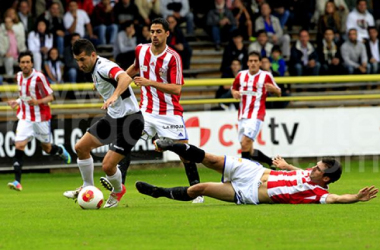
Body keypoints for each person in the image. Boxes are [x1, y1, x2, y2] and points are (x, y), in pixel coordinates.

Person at [136, 139, 379, 205]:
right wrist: (286, 167)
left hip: (249, 193)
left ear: (325, 179)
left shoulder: (317, 193)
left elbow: (336, 198)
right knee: (209, 159)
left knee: (199, 189)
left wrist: (355, 198)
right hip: (254, 170)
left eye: (318, 168)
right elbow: (299, 171)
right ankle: (170, 145)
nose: (312, 168)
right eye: (315, 164)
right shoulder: (309, 173)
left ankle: (159, 193)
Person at [125, 18, 203, 203]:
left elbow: (177, 89)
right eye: (152, 31)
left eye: (158, 31)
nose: (154, 35)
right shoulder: (141, 50)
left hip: (169, 112)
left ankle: (197, 191)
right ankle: (117, 188)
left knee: (185, 152)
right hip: (146, 110)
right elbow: (135, 67)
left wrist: (150, 82)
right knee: (125, 143)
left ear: (167, 34)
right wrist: (119, 80)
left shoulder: (173, 57)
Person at [63, 39, 144, 208]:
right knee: (81, 147)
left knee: (108, 166)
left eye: (83, 59)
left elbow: (124, 77)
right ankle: (87, 186)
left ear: (93, 55)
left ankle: (118, 190)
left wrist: (114, 95)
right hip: (113, 119)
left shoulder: (103, 67)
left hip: (131, 121)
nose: (80, 64)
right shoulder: (96, 69)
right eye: (77, 60)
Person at [6, 51, 71, 191]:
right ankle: (17, 181)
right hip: (24, 117)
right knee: (19, 145)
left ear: (32, 63)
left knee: (47, 148)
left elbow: (50, 97)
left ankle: (60, 150)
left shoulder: (39, 77)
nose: (25, 65)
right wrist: (17, 102)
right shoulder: (18, 77)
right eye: (23, 62)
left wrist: (38, 101)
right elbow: (24, 95)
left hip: (40, 118)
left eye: (28, 62)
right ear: (19, 64)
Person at [231, 51, 281, 169]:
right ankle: (271, 162)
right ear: (247, 63)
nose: (253, 63)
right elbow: (234, 88)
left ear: (260, 63)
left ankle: (243, 172)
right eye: (251, 61)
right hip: (242, 115)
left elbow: (279, 92)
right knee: (249, 148)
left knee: (245, 143)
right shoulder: (241, 75)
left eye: (255, 61)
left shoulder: (266, 75)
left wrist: (273, 89)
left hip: (257, 115)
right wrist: (235, 93)